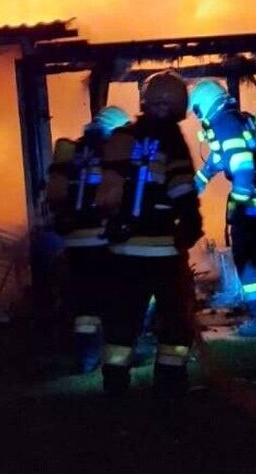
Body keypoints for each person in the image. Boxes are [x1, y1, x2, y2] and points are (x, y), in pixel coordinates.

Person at [95, 70, 202, 394]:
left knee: (122, 321)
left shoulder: (123, 137)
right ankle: (170, 384)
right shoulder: (170, 138)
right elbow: (182, 188)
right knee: (174, 322)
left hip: (122, 249)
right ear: (178, 104)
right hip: (161, 250)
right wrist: (192, 224)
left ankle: (115, 384)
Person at [188, 80, 256, 337]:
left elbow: (242, 164)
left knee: (247, 261)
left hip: (251, 205)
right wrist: (199, 181)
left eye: (196, 109)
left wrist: (239, 203)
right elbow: (221, 158)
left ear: (204, 105)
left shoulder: (224, 123)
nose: (197, 115)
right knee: (252, 258)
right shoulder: (234, 119)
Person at [45, 105, 132, 372]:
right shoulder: (113, 152)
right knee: (115, 298)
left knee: (84, 305)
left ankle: (87, 358)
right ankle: (118, 358)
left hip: (74, 243)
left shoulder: (72, 152)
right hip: (103, 240)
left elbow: (54, 196)